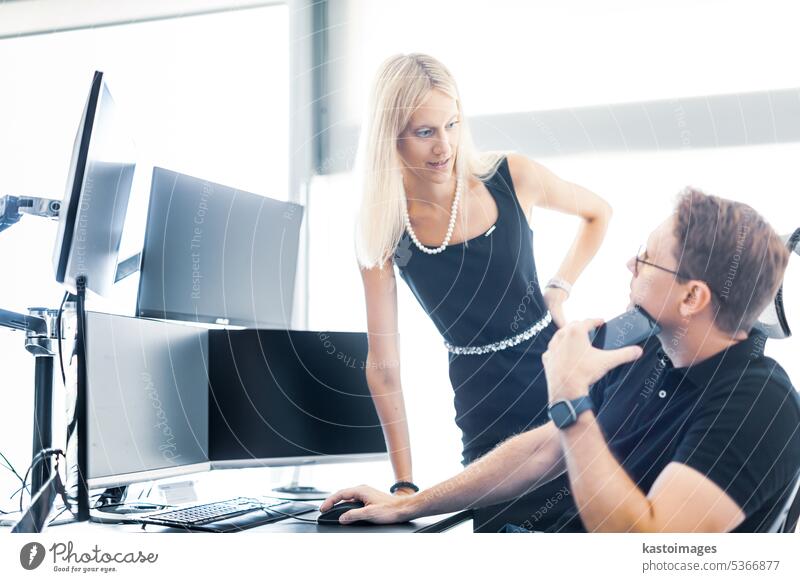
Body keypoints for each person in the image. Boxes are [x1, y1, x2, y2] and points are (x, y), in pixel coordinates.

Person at [327, 188, 800, 532]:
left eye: (646, 258)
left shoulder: (760, 405)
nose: (630, 266)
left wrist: (571, 399)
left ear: (692, 296)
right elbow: (546, 449)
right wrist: (411, 504)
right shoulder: (645, 352)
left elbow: (650, 548)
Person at [355, 53, 612, 530]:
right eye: (425, 131)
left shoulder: (510, 177)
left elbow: (599, 213)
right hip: (482, 412)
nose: (444, 146)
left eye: (452, 124)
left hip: (560, 382)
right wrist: (405, 487)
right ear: (389, 137)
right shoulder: (385, 231)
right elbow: (384, 368)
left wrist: (558, 288)